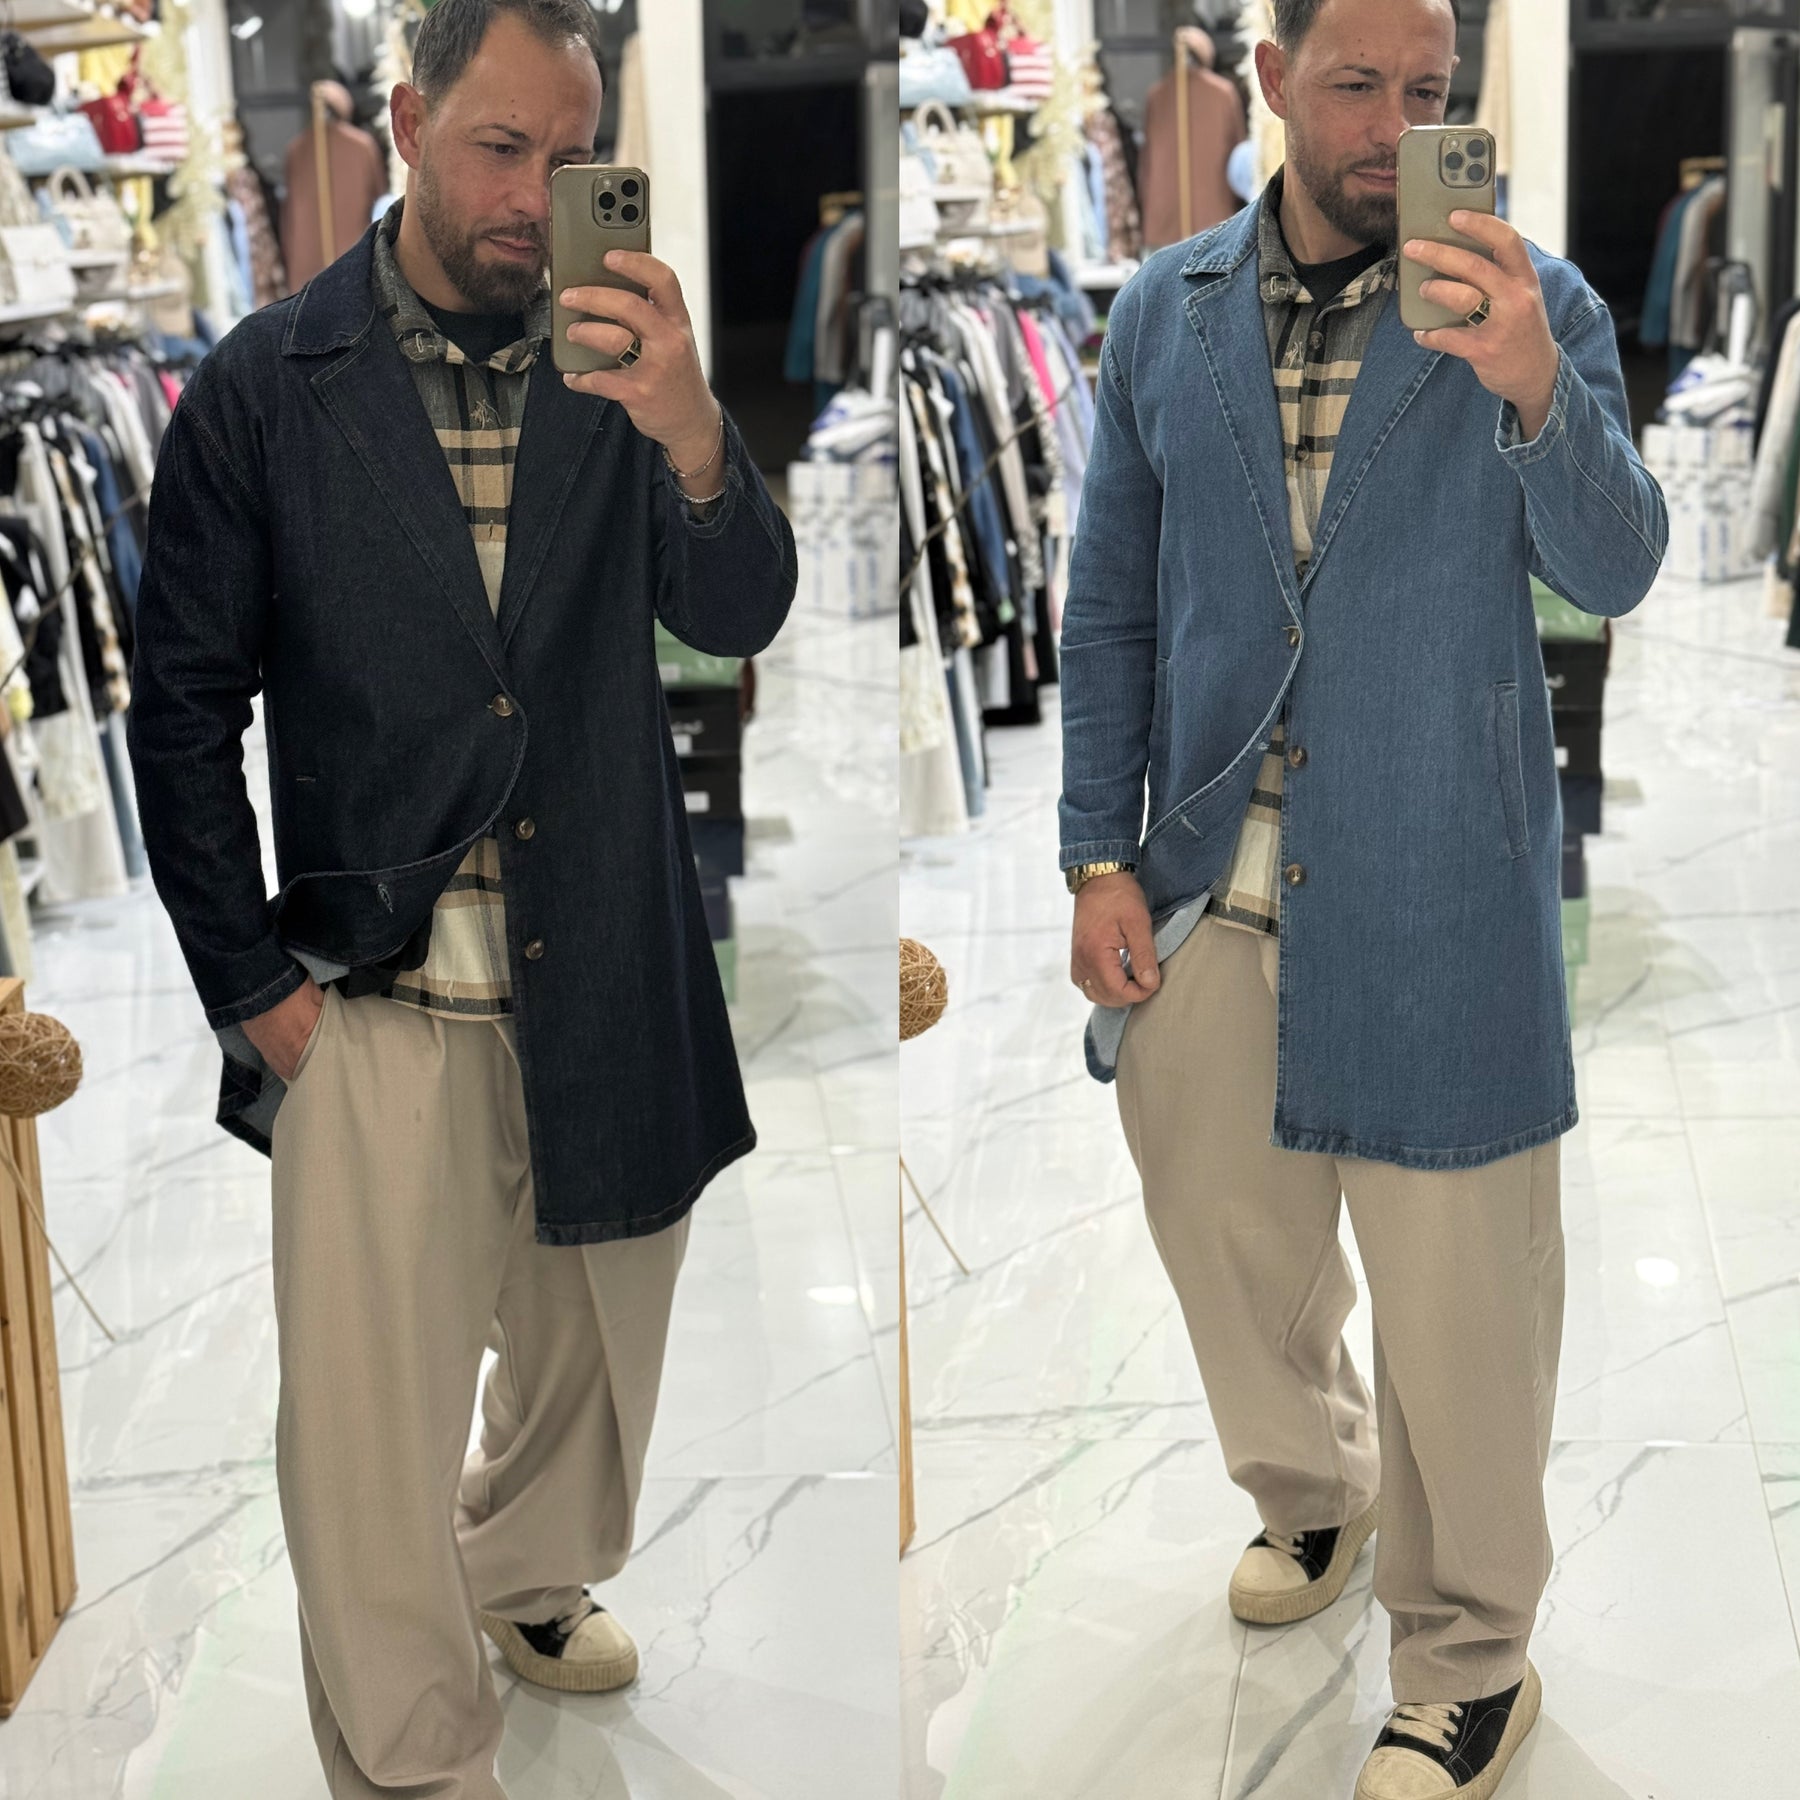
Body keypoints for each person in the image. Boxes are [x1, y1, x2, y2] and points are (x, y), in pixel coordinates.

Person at [126, 0, 796, 1793]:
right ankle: (416, 1748)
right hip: (377, 993)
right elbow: (179, 707)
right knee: (369, 1431)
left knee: (596, 1364)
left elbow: (738, 610)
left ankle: (521, 1570)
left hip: (610, 962)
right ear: (409, 122)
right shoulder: (269, 384)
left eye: (574, 158)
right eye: (502, 147)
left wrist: (694, 432)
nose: (534, 195)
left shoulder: (624, 364)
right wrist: (248, 981)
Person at [1058, 0, 1665, 1795]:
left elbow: (1617, 562)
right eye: (1356, 85)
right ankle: (1314, 1489)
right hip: (1211, 878)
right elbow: (1109, 601)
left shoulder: (1533, 302)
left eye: (1429, 92)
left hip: (1434, 872)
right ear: (1268, 78)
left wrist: (1536, 390)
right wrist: (1095, 848)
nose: (1397, 125)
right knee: (1223, 1234)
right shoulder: (1160, 312)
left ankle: (1472, 1656)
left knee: (1463, 1304)